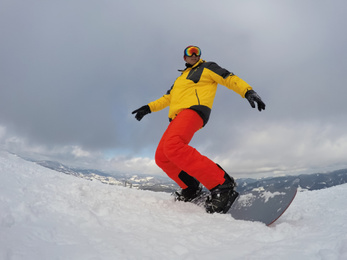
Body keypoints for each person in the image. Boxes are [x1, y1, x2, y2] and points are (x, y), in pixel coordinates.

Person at [132, 45, 265, 214]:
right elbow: (167, 98)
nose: (194, 54)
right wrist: (148, 108)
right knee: (162, 157)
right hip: (176, 117)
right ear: (184, 57)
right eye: (190, 52)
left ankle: (222, 185)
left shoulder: (207, 67)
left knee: (173, 145)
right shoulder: (180, 79)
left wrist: (248, 91)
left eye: (197, 52)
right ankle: (191, 187)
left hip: (194, 110)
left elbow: (228, 78)